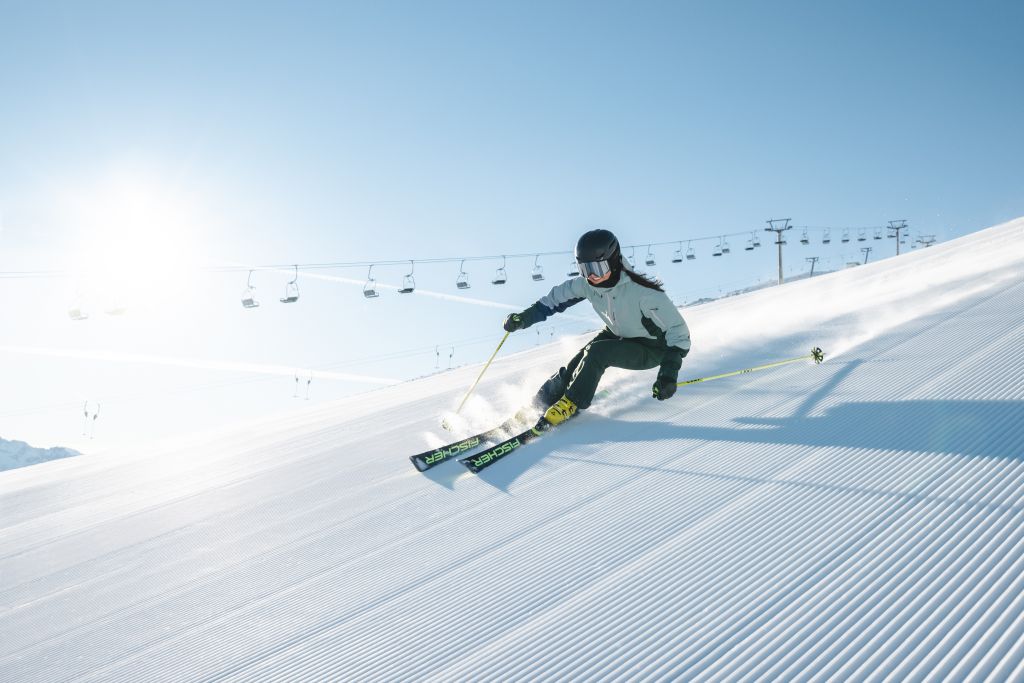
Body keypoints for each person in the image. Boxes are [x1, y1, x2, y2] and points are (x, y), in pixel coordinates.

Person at [504, 228, 692, 427]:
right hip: (618, 334)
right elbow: (553, 301)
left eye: (598, 268)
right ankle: (539, 403)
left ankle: (572, 403)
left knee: (597, 352)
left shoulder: (644, 294)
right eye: (585, 269)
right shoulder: (588, 285)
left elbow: (679, 335)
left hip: (652, 348)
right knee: (576, 363)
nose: (592, 275)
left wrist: (668, 375)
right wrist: (523, 319)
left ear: (613, 261)